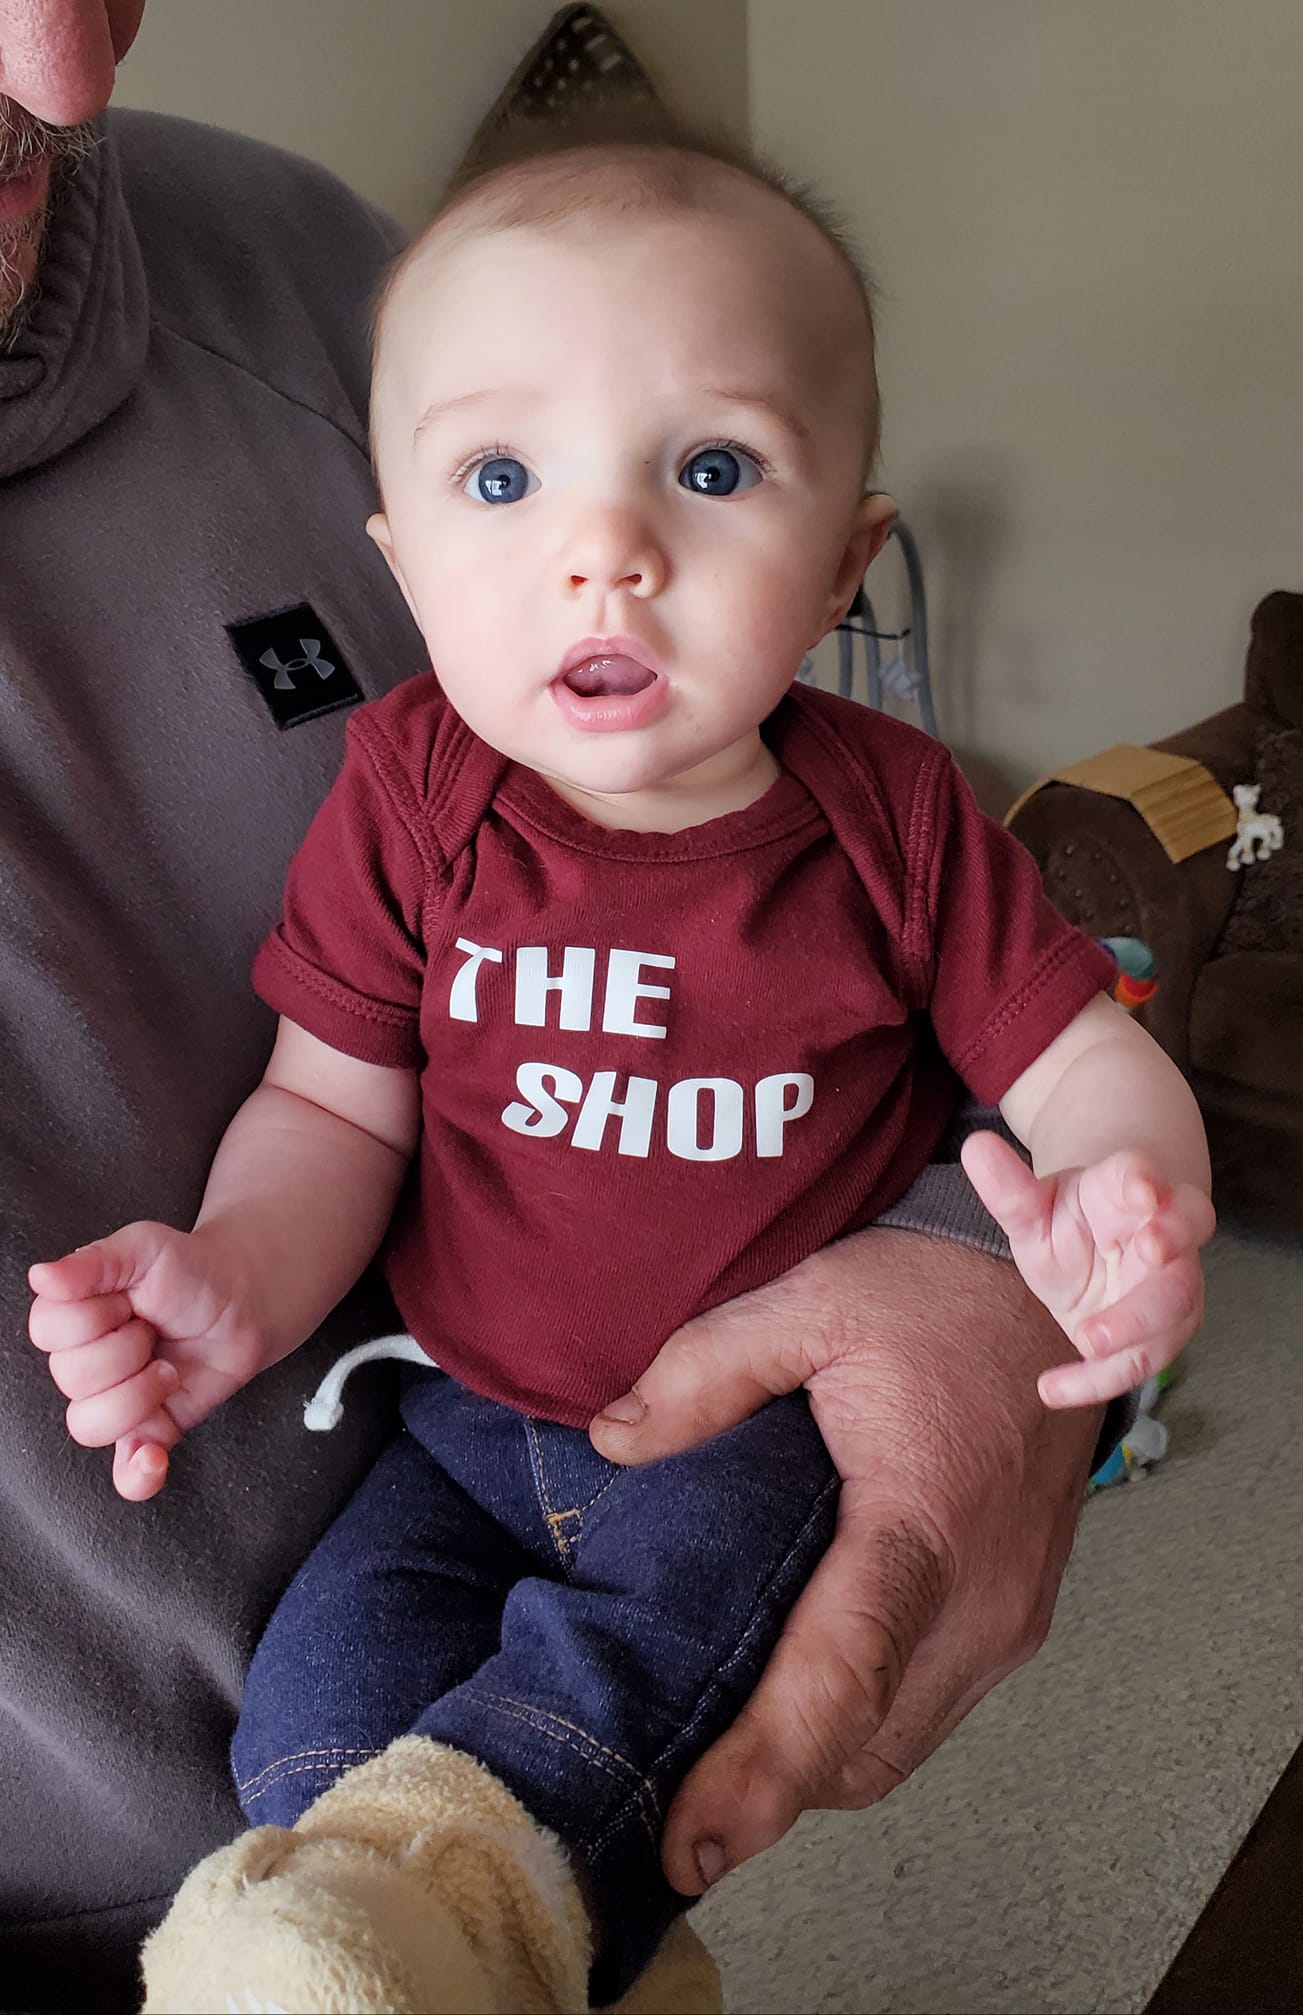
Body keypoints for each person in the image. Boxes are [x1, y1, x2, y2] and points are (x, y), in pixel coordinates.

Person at [0, 8, 1168, 2011]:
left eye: (711, 470)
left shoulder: (889, 816)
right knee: (316, 1728)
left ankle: (437, 1932)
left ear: (842, 562)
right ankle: (343, 1936)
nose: (604, 552)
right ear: (402, 559)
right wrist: (237, 1284)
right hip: (447, 1418)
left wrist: (1115, 1209)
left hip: (743, 1434)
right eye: (503, 480)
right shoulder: (410, 792)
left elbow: (1077, 1054)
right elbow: (332, 1108)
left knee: (600, 1731)